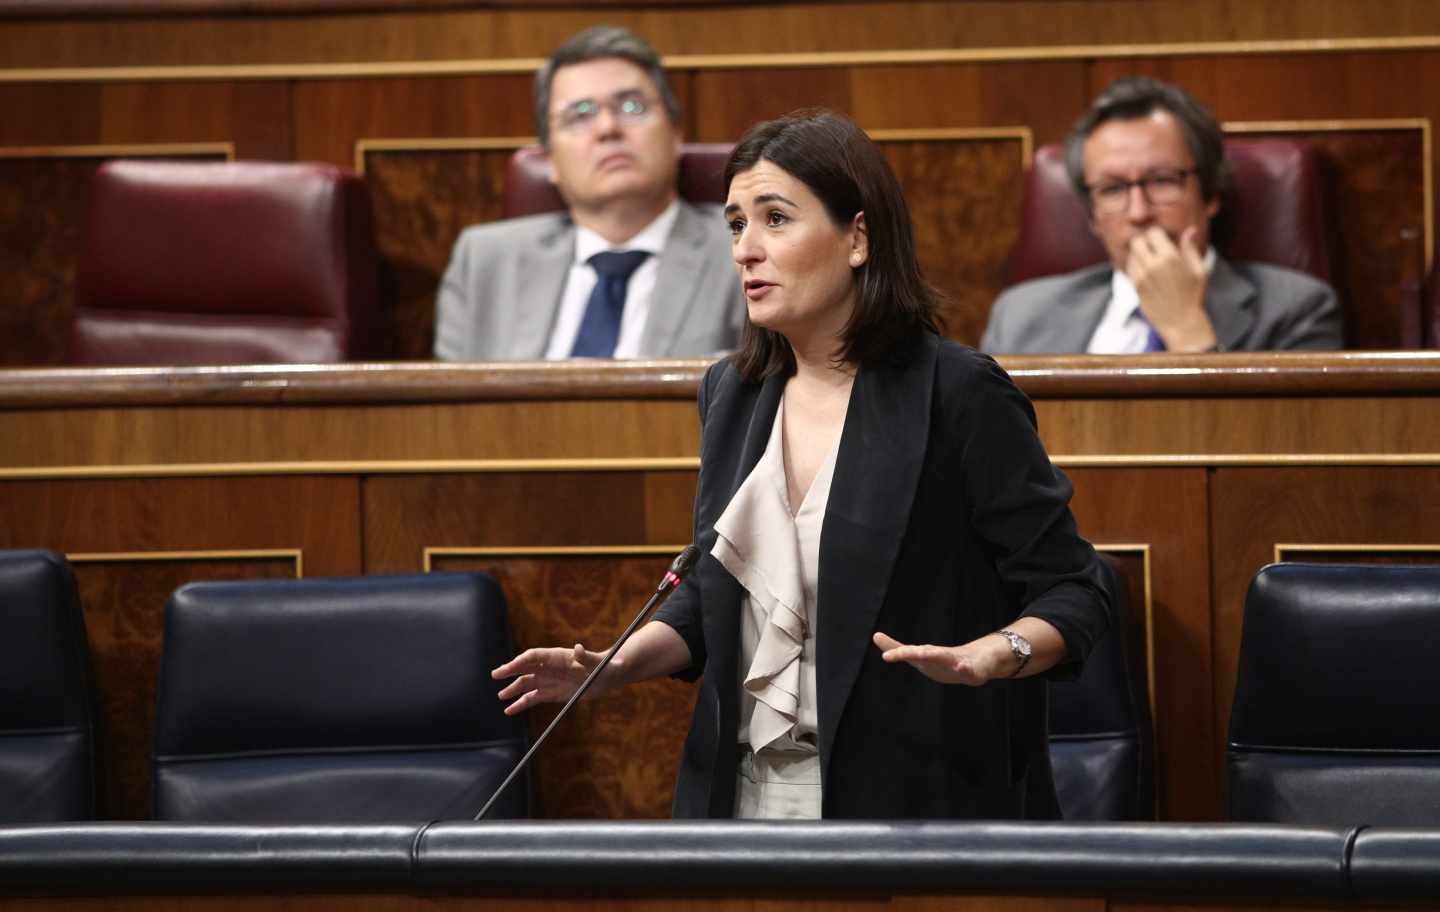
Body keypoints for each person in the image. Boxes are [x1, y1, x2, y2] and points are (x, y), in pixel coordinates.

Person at [493, 109, 1110, 820]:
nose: (746, 250)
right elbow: (719, 590)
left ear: (857, 237)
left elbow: (1076, 590)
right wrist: (616, 666)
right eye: (734, 224)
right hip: (742, 800)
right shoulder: (734, 392)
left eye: (776, 219)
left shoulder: (958, 392)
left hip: (916, 808)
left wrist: (995, 654)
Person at [434, 26, 742, 361]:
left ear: (675, 134)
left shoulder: (742, 252)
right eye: (579, 115)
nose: (608, 128)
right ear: (550, 158)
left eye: (632, 107)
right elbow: (453, 408)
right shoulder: (484, 261)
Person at [982, 76, 1343, 354]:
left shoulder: (1297, 311)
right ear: (1092, 215)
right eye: (1113, 189)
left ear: (1211, 194)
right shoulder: (1020, 317)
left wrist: (1186, 328)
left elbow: (1280, 448)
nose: (1139, 212)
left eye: (1162, 182)